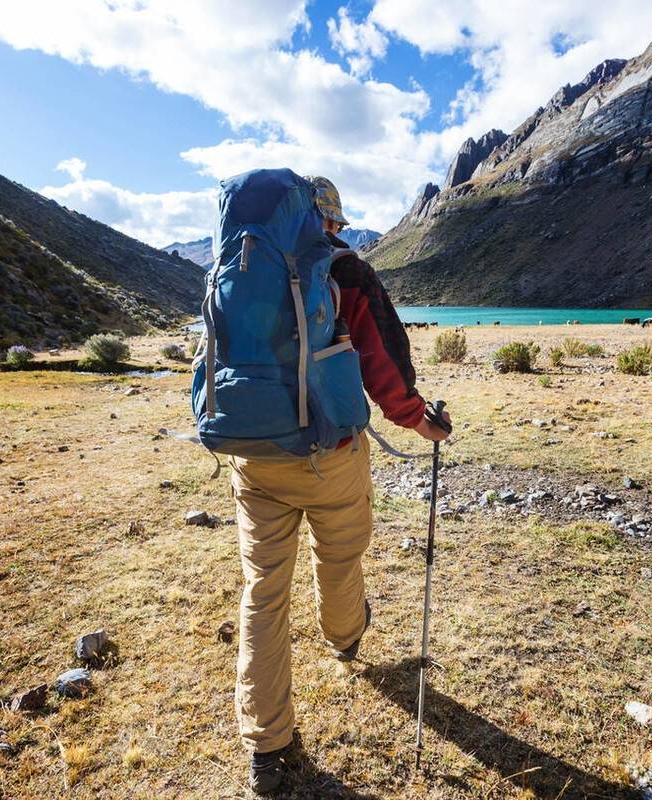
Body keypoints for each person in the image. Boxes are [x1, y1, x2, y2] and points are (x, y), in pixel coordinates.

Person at [230, 175, 451, 794]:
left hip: (252, 457)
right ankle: (345, 634)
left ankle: (268, 749)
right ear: (329, 221)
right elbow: (384, 363)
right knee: (341, 552)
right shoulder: (345, 270)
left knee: (263, 590)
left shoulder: (239, 263)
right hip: (330, 452)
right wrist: (419, 421)